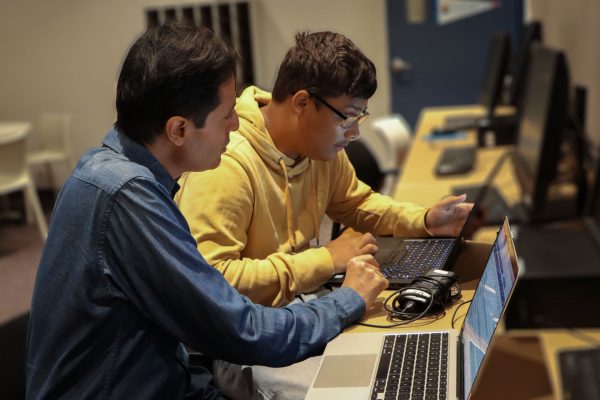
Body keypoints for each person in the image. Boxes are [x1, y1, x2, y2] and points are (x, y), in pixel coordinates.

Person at [25, 23, 388, 399]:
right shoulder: (128, 195)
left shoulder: (108, 169)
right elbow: (242, 332)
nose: (236, 125)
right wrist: (349, 300)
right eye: (227, 114)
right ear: (179, 130)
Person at [174, 30, 471, 399]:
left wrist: (425, 220)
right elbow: (214, 284)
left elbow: (356, 203)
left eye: (360, 117)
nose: (354, 133)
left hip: (306, 309)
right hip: (242, 344)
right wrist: (328, 259)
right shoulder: (226, 166)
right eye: (347, 118)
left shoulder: (318, 150)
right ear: (302, 102)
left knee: (404, 362)